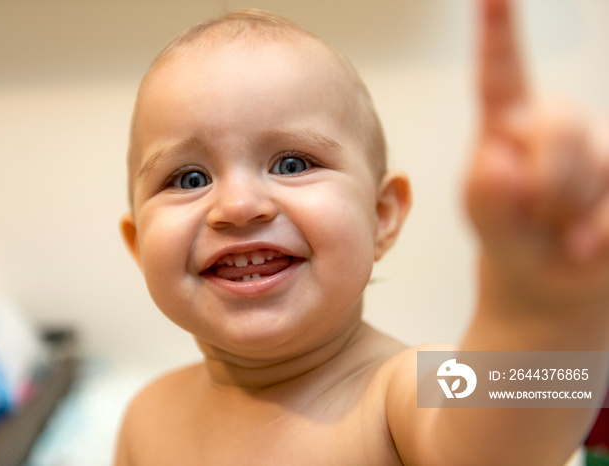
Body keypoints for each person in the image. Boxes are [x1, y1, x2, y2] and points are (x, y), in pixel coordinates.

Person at [115, 0, 609, 463]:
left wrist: (542, 311)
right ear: (139, 248)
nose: (239, 206)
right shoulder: (145, 416)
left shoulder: (402, 391)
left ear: (381, 215)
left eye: (291, 163)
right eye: (190, 179)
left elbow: (506, 440)